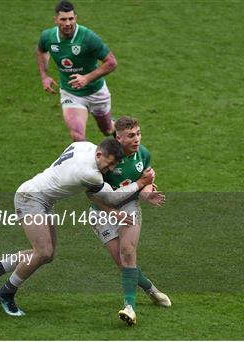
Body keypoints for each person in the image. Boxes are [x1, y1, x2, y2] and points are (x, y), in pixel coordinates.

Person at [0, 138, 161, 316]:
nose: (110, 169)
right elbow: (112, 197)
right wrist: (141, 183)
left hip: (44, 199)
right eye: (109, 164)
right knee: (43, 252)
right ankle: (7, 293)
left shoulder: (84, 145)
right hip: (30, 198)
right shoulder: (89, 174)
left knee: (48, 254)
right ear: (99, 154)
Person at [88, 117, 171, 326]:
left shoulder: (143, 154)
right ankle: (150, 289)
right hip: (102, 211)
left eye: (139, 134)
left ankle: (129, 307)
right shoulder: (106, 159)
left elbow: (145, 184)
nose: (137, 139)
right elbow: (92, 194)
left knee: (127, 251)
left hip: (129, 207)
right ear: (119, 137)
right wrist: (111, 211)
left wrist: (147, 194)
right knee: (122, 263)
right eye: (131, 136)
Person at [36, 0, 118, 142]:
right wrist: (44, 76)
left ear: (76, 18)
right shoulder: (47, 37)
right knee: (77, 136)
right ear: (55, 20)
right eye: (63, 19)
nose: (68, 23)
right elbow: (41, 51)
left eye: (71, 19)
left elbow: (111, 63)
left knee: (107, 130)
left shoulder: (88, 37)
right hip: (71, 93)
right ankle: (87, 164)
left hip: (96, 91)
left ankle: (120, 130)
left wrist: (86, 78)